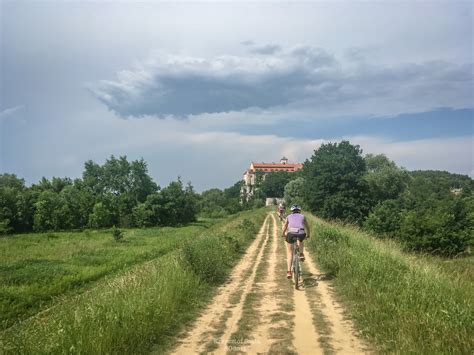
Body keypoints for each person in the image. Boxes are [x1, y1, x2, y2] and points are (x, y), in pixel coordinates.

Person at [281, 204, 310, 279]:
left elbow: (285, 226)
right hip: (301, 233)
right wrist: (308, 234)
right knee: (301, 239)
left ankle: (289, 272)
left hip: (290, 234)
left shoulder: (288, 217)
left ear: (292, 211)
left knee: (290, 253)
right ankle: (301, 254)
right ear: (299, 211)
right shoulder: (303, 216)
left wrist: (283, 234)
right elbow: (307, 227)